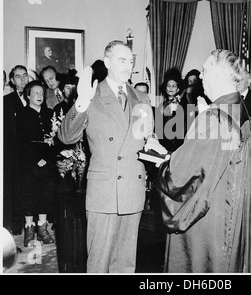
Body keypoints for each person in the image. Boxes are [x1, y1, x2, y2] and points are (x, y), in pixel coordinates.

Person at [58, 40, 166, 273]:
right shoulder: (92, 94)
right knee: (99, 262)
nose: (128, 66)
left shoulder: (142, 97)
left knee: (126, 263)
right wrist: (82, 101)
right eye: (121, 60)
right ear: (107, 62)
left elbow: (146, 134)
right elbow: (66, 136)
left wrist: (153, 141)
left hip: (133, 188)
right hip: (105, 191)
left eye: (130, 61)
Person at [156, 49, 251, 273]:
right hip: (233, 222)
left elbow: (181, 178)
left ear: (218, 75)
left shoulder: (215, 118)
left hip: (207, 228)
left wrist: (164, 160)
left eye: (204, 71)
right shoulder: (246, 113)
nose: (201, 77)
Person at [16, 80, 58, 247]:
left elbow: (55, 138)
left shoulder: (49, 114)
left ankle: (42, 229)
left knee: (45, 194)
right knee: (29, 195)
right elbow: (21, 141)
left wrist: (47, 159)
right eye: (35, 93)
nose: (39, 96)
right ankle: (29, 230)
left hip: (47, 162)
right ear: (28, 95)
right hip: (29, 163)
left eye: (41, 93)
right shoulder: (22, 114)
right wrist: (35, 159)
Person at [3, 65, 30, 236]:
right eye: (18, 77)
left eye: (25, 75)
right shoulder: (7, 101)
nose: (22, 79)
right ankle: (16, 224)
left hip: (32, 153)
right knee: (13, 188)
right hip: (13, 153)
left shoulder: (36, 95)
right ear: (12, 81)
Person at [156, 67, 186, 153]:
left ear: (178, 89)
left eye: (174, 86)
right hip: (162, 144)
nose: (170, 88)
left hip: (176, 145)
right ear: (165, 88)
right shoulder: (161, 106)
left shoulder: (182, 106)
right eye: (168, 86)